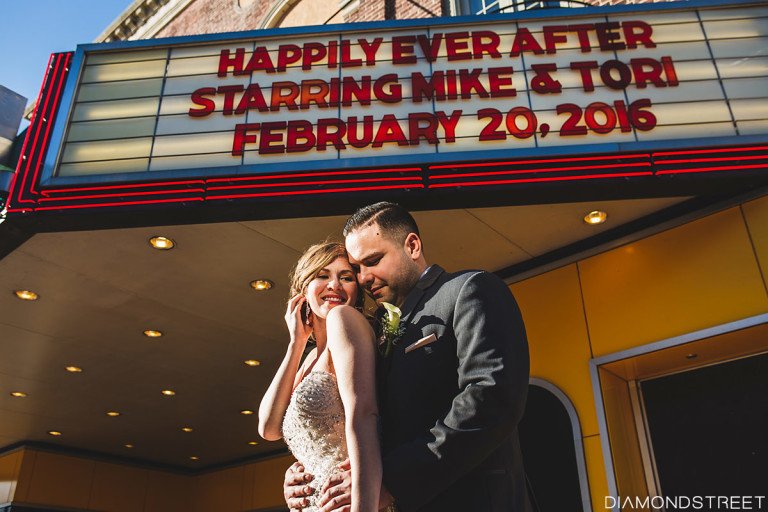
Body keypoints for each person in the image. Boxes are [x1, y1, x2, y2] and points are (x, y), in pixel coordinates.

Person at [284, 202, 533, 512]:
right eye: (357, 268)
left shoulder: (469, 290)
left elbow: (492, 398)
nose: (363, 278)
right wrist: (309, 472)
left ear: (412, 245)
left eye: (372, 261)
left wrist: (391, 482)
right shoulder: (376, 330)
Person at [258, 241, 383, 512]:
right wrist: (296, 343)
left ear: (357, 291)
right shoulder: (309, 359)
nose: (334, 285)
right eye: (322, 275)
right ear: (303, 290)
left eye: (346, 277)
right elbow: (268, 428)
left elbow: (364, 416)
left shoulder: (346, 320)